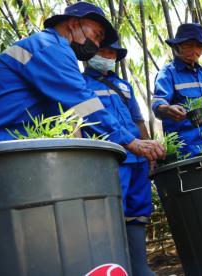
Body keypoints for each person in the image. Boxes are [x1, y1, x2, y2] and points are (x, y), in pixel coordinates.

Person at [0, 2, 164, 161]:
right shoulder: (50, 47)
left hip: (4, 147)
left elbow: (68, 114)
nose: (96, 45)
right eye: (97, 36)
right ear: (73, 23)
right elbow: (83, 104)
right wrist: (130, 141)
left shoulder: (46, 46)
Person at [83, 42, 153, 276]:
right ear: (89, 54)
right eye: (102, 52)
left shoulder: (124, 85)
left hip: (137, 157)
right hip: (110, 159)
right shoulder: (80, 85)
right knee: (111, 213)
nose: (107, 56)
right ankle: (116, 267)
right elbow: (79, 125)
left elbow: (138, 119)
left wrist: (149, 148)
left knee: (138, 210)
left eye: (111, 53)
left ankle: (140, 267)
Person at [152, 23, 202, 157]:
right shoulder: (167, 73)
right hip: (188, 153)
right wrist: (168, 109)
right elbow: (157, 105)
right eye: (188, 45)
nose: (194, 50)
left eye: (198, 46)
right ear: (177, 46)